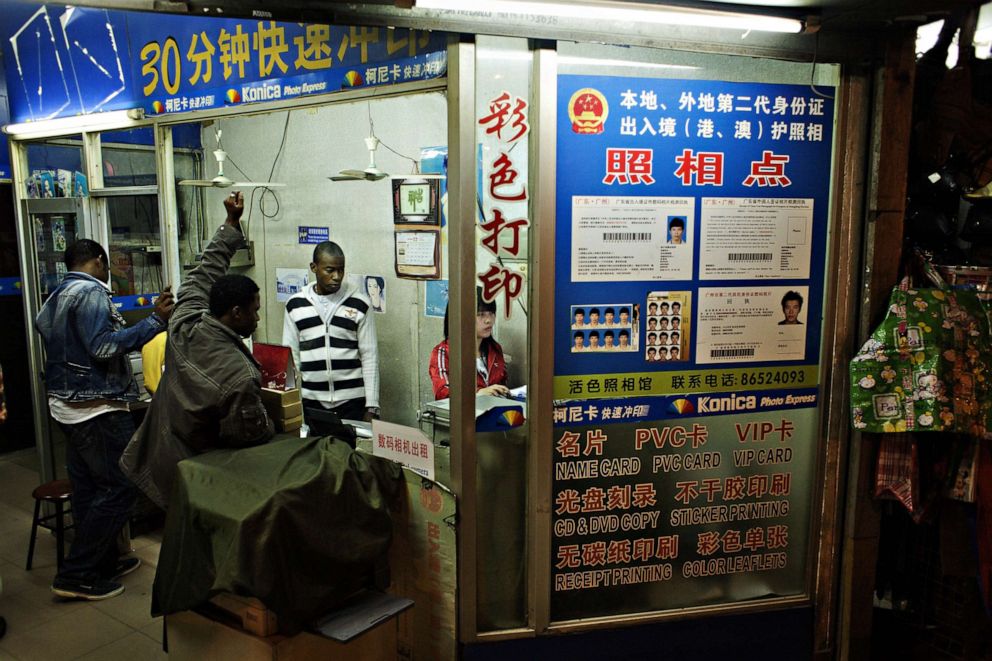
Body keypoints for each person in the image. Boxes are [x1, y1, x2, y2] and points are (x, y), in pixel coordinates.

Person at [36, 236, 174, 600]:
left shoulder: (56, 294)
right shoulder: (92, 292)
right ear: (98, 261)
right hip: (96, 407)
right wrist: (155, 321)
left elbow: (44, 328)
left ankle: (102, 562)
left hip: (65, 406)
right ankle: (77, 572)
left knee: (89, 490)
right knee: (121, 486)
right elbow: (102, 346)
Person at [122, 191, 273, 510]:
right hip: (201, 479)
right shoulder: (240, 374)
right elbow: (246, 437)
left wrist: (231, 222)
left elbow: (205, 271)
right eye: (255, 311)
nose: (258, 318)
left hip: (160, 456)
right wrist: (271, 422)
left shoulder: (184, 321)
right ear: (236, 313)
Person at [284, 241, 381, 432]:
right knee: (315, 449)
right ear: (314, 267)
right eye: (330, 270)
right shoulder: (295, 305)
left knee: (350, 450)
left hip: (352, 402)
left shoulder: (360, 303)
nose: (336, 276)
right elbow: (291, 358)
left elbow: (370, 356)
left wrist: (372, 406)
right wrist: (294, 404)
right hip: (312, 401)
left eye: (341, 270)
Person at [430, 294, 508, 399]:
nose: (488, 320)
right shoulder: (444, 352)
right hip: (466, 409)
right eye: (480, 314)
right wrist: (477, 393)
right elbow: (442, 392)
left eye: (491, 313)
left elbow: (502, 384)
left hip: (495, 408)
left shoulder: (495, 349)